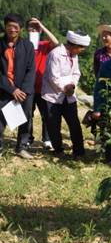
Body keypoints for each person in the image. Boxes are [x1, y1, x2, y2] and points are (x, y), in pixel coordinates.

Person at [41, 31, 91, 159]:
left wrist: (72, 86)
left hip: (69, 95)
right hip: (52, 95)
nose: (82, 50)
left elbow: (76, 73)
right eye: (81, 47)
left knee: (74, 123)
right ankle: (58, 150)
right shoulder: (56, 54)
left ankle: (79, 151)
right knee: (53, 124)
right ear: (74, 45)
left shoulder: (74, 55)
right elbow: (53, 77)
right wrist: (65, 88)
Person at [0, 13, 36, 159]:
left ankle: (21, 147)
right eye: (9, 26)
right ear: (5, 27)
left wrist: (24, 91)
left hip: (24, 90)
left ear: (20, 29)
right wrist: (12, 89)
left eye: (15, 27)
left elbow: (30, 69)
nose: (12, 29)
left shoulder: (28, 45)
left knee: (26, 118)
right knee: (0, 119)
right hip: (4, 88)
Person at [26, 17, 59, 151]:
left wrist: (42, 26)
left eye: (36, 28)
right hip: (28, 87)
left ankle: (47, 139)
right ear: (26, 30)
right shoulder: (23, 44)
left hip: (44, 87)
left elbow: (56, 43)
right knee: (28, 114)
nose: (33, 30)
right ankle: (28, 139)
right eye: (31, 27)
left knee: (47, 114)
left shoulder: (44, 45)